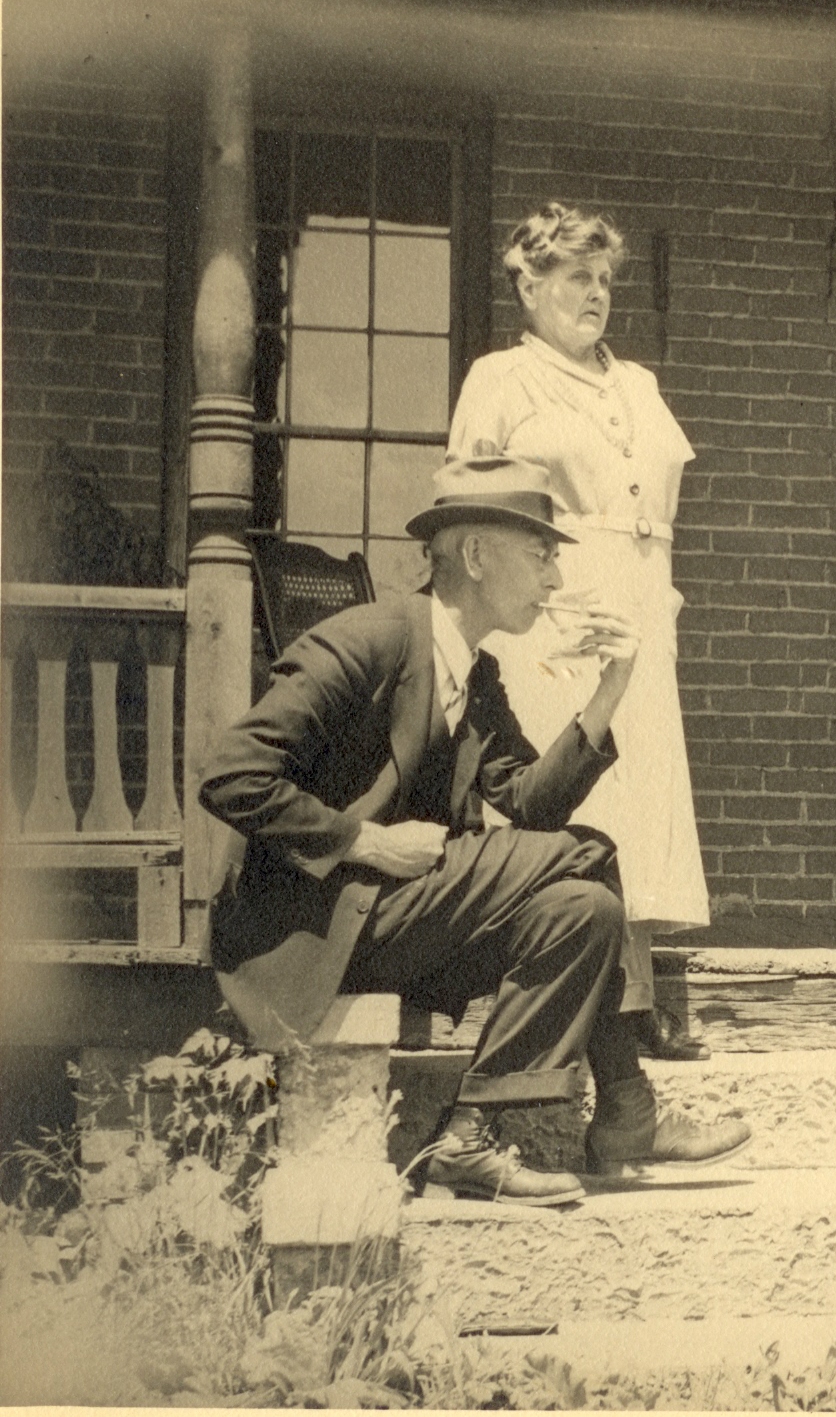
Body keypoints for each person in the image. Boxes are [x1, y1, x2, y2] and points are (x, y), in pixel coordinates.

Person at [200, 458, 751, 1206]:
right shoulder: (368, 639)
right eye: (541, 554)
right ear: (476, 555)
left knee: (585, 910)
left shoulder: (474, 675)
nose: (556, 580)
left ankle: (468, 1137)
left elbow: (527, 809)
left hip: (398, 919)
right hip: (308, 927)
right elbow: (229, 771)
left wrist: (610, 688)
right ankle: (625, 1103)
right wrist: (364, 842)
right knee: (591, 855)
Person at [447, 202, 709, 1056]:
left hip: (637, 601)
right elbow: (467, 511)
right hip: (552, 608)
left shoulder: (636, 383)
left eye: (603, 280)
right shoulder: (500, 378)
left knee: (634, 810)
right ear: (528, 283)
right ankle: (587, 1009)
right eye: (574, 277)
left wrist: (655, 598)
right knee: (574, 800)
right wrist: (539, 606)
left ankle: (632, 1002)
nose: (594, 295)